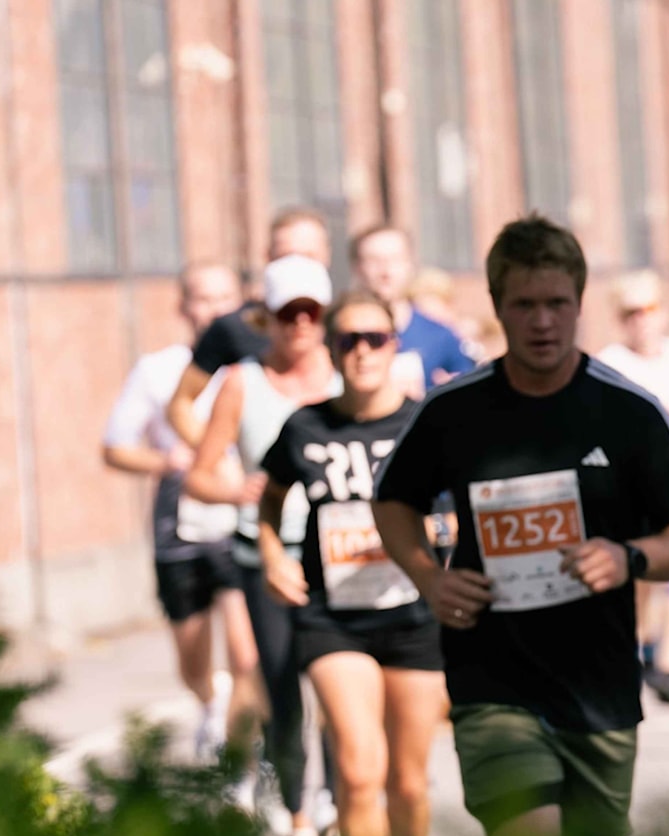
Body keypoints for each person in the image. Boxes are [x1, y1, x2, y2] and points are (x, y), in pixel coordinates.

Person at [372, 215, 669, 836]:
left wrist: (628, 558)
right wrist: (430, 577)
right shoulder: (454, 411)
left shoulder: (628, 411)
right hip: (492, 684)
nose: (542, 322)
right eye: (524, 305)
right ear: (498, 308)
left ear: (580, 303)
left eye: (556, 303)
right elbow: (393, 502)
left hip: (599, 690)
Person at [257, 290, 448, 836]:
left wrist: (449, 540)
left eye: (376, 339)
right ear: (331, 350)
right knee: (361, 772)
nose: (362, 352)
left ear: (395, 346)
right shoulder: (306, 426)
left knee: (409, 786)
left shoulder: (428, 422)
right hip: (333, 616)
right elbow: (269, 497)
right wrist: (272, 556)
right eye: (348, 340)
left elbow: (465, 497)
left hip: (418, 614)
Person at [186, 254, 344, 836]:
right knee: (281, 686)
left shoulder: (344, 374)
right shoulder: (241, 382)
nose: (301, 325)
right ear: (267, 319)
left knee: (337, 683)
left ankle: (334, 799)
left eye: (312, 313)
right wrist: (237, 488)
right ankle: (297, 809)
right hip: (264, 557)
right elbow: (201, 475)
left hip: (337, 559)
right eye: (288, 314)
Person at [101, 261, 261, 760]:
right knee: (192, 655)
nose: (213, 308)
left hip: (241, 515)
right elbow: (115, 448)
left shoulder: (258, 366)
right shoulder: (157, 370)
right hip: (182, 518)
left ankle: (239, 755)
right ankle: (210, 704)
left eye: (223, 297)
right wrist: (167, 458)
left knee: (246, 651)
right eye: (202, 298)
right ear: (183, 307)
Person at [596, 270, 669, 704]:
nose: (641, 320)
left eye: (649, 310)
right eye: (631, 313)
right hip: (630, 482)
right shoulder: (611, 362)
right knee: (642, 573)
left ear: (662, 312)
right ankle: (640, 650)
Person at [167, 208, 333, 446]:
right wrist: (218, 460)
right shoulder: (234, 328)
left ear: (326, 255)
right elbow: (180, 405)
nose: (300, 323)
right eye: (286, 256)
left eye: (308, 256)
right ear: (268, 257)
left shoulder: (351, 323)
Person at [349, 226, 479, 394]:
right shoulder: (342, 336)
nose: (385, 271)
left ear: (410, 264)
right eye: (374, 261)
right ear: (356, 267)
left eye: (395, 259)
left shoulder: (440, 336)